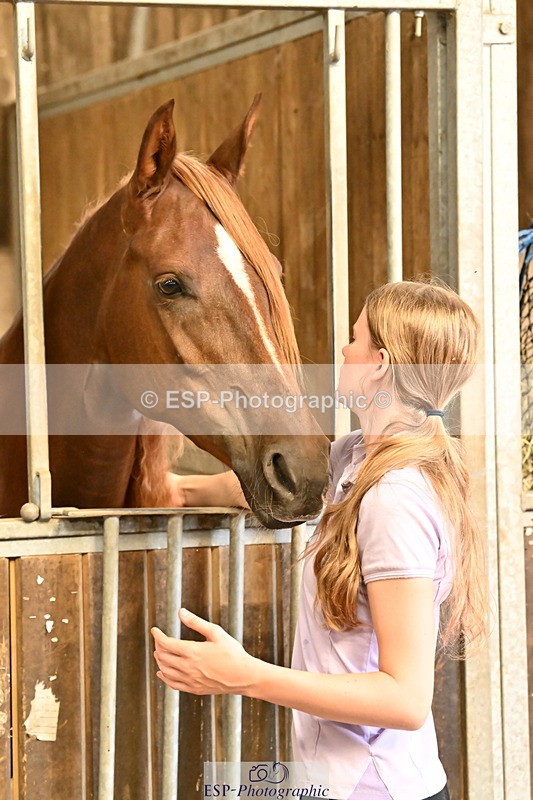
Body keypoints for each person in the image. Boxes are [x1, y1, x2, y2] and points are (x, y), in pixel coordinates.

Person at [151, 279, 487, 800]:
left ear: (379, 362)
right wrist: (165, 488)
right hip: (327, 782)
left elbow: (406, 698)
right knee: (223, 790)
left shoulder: (395, 498)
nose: (343, 350)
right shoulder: (355, 457)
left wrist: (244, 675)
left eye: (355, 338)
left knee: (215, 788)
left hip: (378, 789)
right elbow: (258, 488)